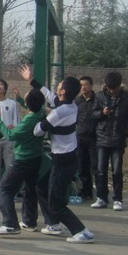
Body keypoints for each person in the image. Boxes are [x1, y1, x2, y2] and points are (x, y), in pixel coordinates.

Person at [19, 64, 95, 244]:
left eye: (59, 86)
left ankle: (81, 231)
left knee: (57, 203)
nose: (56, 88)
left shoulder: (60, 111)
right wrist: (31, 80)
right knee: (41, 187)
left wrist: (40, 113)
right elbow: (48, 94)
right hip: (65, 158)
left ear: (62, 92)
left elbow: (38, 130)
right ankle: (53, 224)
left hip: (63, 161)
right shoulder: (69, 105)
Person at [0, 88, 46, 235]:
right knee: (29, 189)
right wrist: (20, 99)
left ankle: (10, 224)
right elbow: (33, 105)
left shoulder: (29, 119)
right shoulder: (41, 113)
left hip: (23, 159)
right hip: (36, 157)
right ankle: (29, 221)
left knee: (4, 189)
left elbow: (10, 135)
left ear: (29, 103)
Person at [91, 71, 128, 211]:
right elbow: (93, 115)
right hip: (102, 137)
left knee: (116, 170)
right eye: (110, 88)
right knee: (100, 170)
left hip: (118, 139)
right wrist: (102, 113)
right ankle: (101, 197)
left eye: (114, 88)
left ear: (119, 85)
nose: (112, 90)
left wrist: (124, 133)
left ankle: (117, 199)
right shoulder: (99, 96)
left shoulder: (127, 98)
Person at [74, 76, 97, 200]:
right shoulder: (77, 101)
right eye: (81, 85)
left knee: (95, 166)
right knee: (83, 166)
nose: (83, 87)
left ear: (91, 86)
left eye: (86, 85)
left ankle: (101, 193)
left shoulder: (97, 100)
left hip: (94, 138)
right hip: (80, 137)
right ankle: (86, 191)